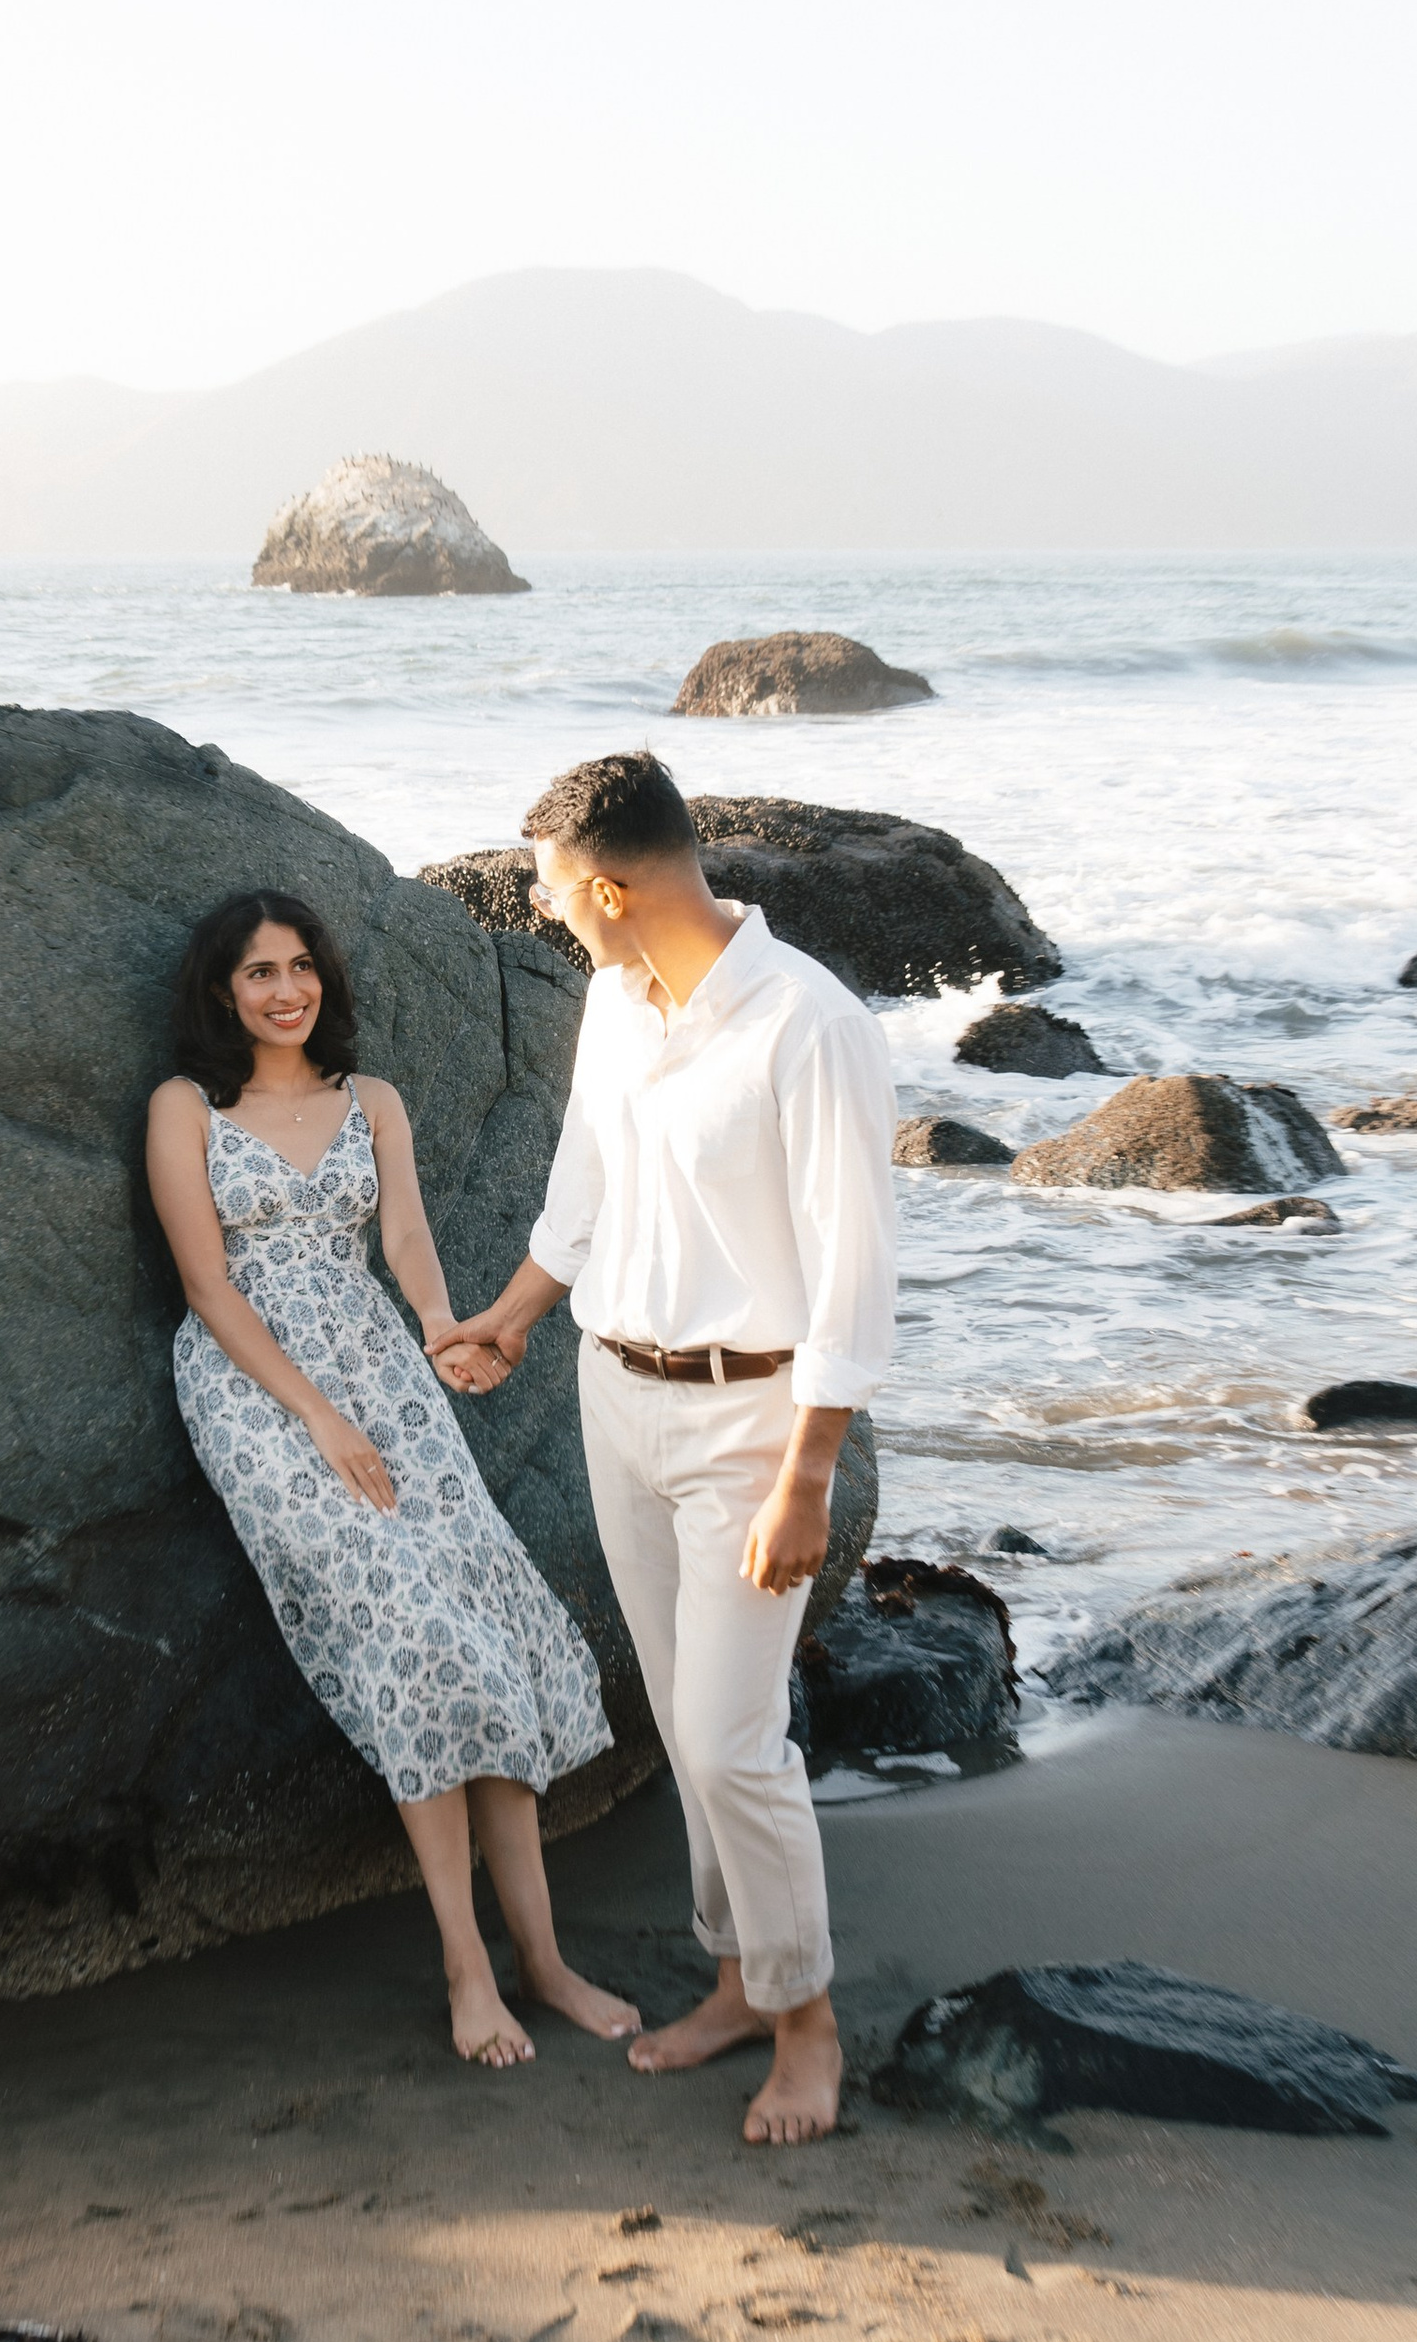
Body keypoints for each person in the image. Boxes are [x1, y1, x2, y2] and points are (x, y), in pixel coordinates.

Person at [441, 754, 897, 2146]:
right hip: (613, 1393)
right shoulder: (614, 997)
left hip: (753, 1422)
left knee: (729, 1733)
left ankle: (807, 2019)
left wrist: (808, 1475)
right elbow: (585, 1178)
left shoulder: (809, 1025)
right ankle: (739, 1980)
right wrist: (514, 1320)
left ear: (614, 886)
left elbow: (856, 1271)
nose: (546, 910)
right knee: (686, 1721)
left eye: (550, 890)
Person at [146, 887, 638, 2070]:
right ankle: (469, 1969)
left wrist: (439, 1328)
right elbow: (207, 1288)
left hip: (380, 1364)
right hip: (256, 1383)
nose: (286, 989)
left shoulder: (370, 1100)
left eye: (302, 966)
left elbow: (407, 1239)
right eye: (260, 971)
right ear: (224, 988)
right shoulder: (186, 1107)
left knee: (489, 1622)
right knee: (415, 1634)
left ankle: (544, 1960)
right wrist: (315, 1417)